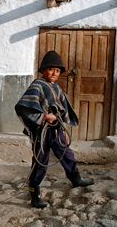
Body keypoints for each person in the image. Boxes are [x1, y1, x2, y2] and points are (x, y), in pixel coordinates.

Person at [15, 51, 94, 209]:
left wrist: (62, 126)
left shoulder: (57, 88)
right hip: (41, 132)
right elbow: (23, 107)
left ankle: (75, 179)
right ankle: (34, 194)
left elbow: (63, 109)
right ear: (43, 70)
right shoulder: (37, 85)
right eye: (51, 69)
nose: (54, 73)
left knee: (67, 154)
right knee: (40, 162)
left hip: (56, 131)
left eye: (57, 71)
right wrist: (44, 116)